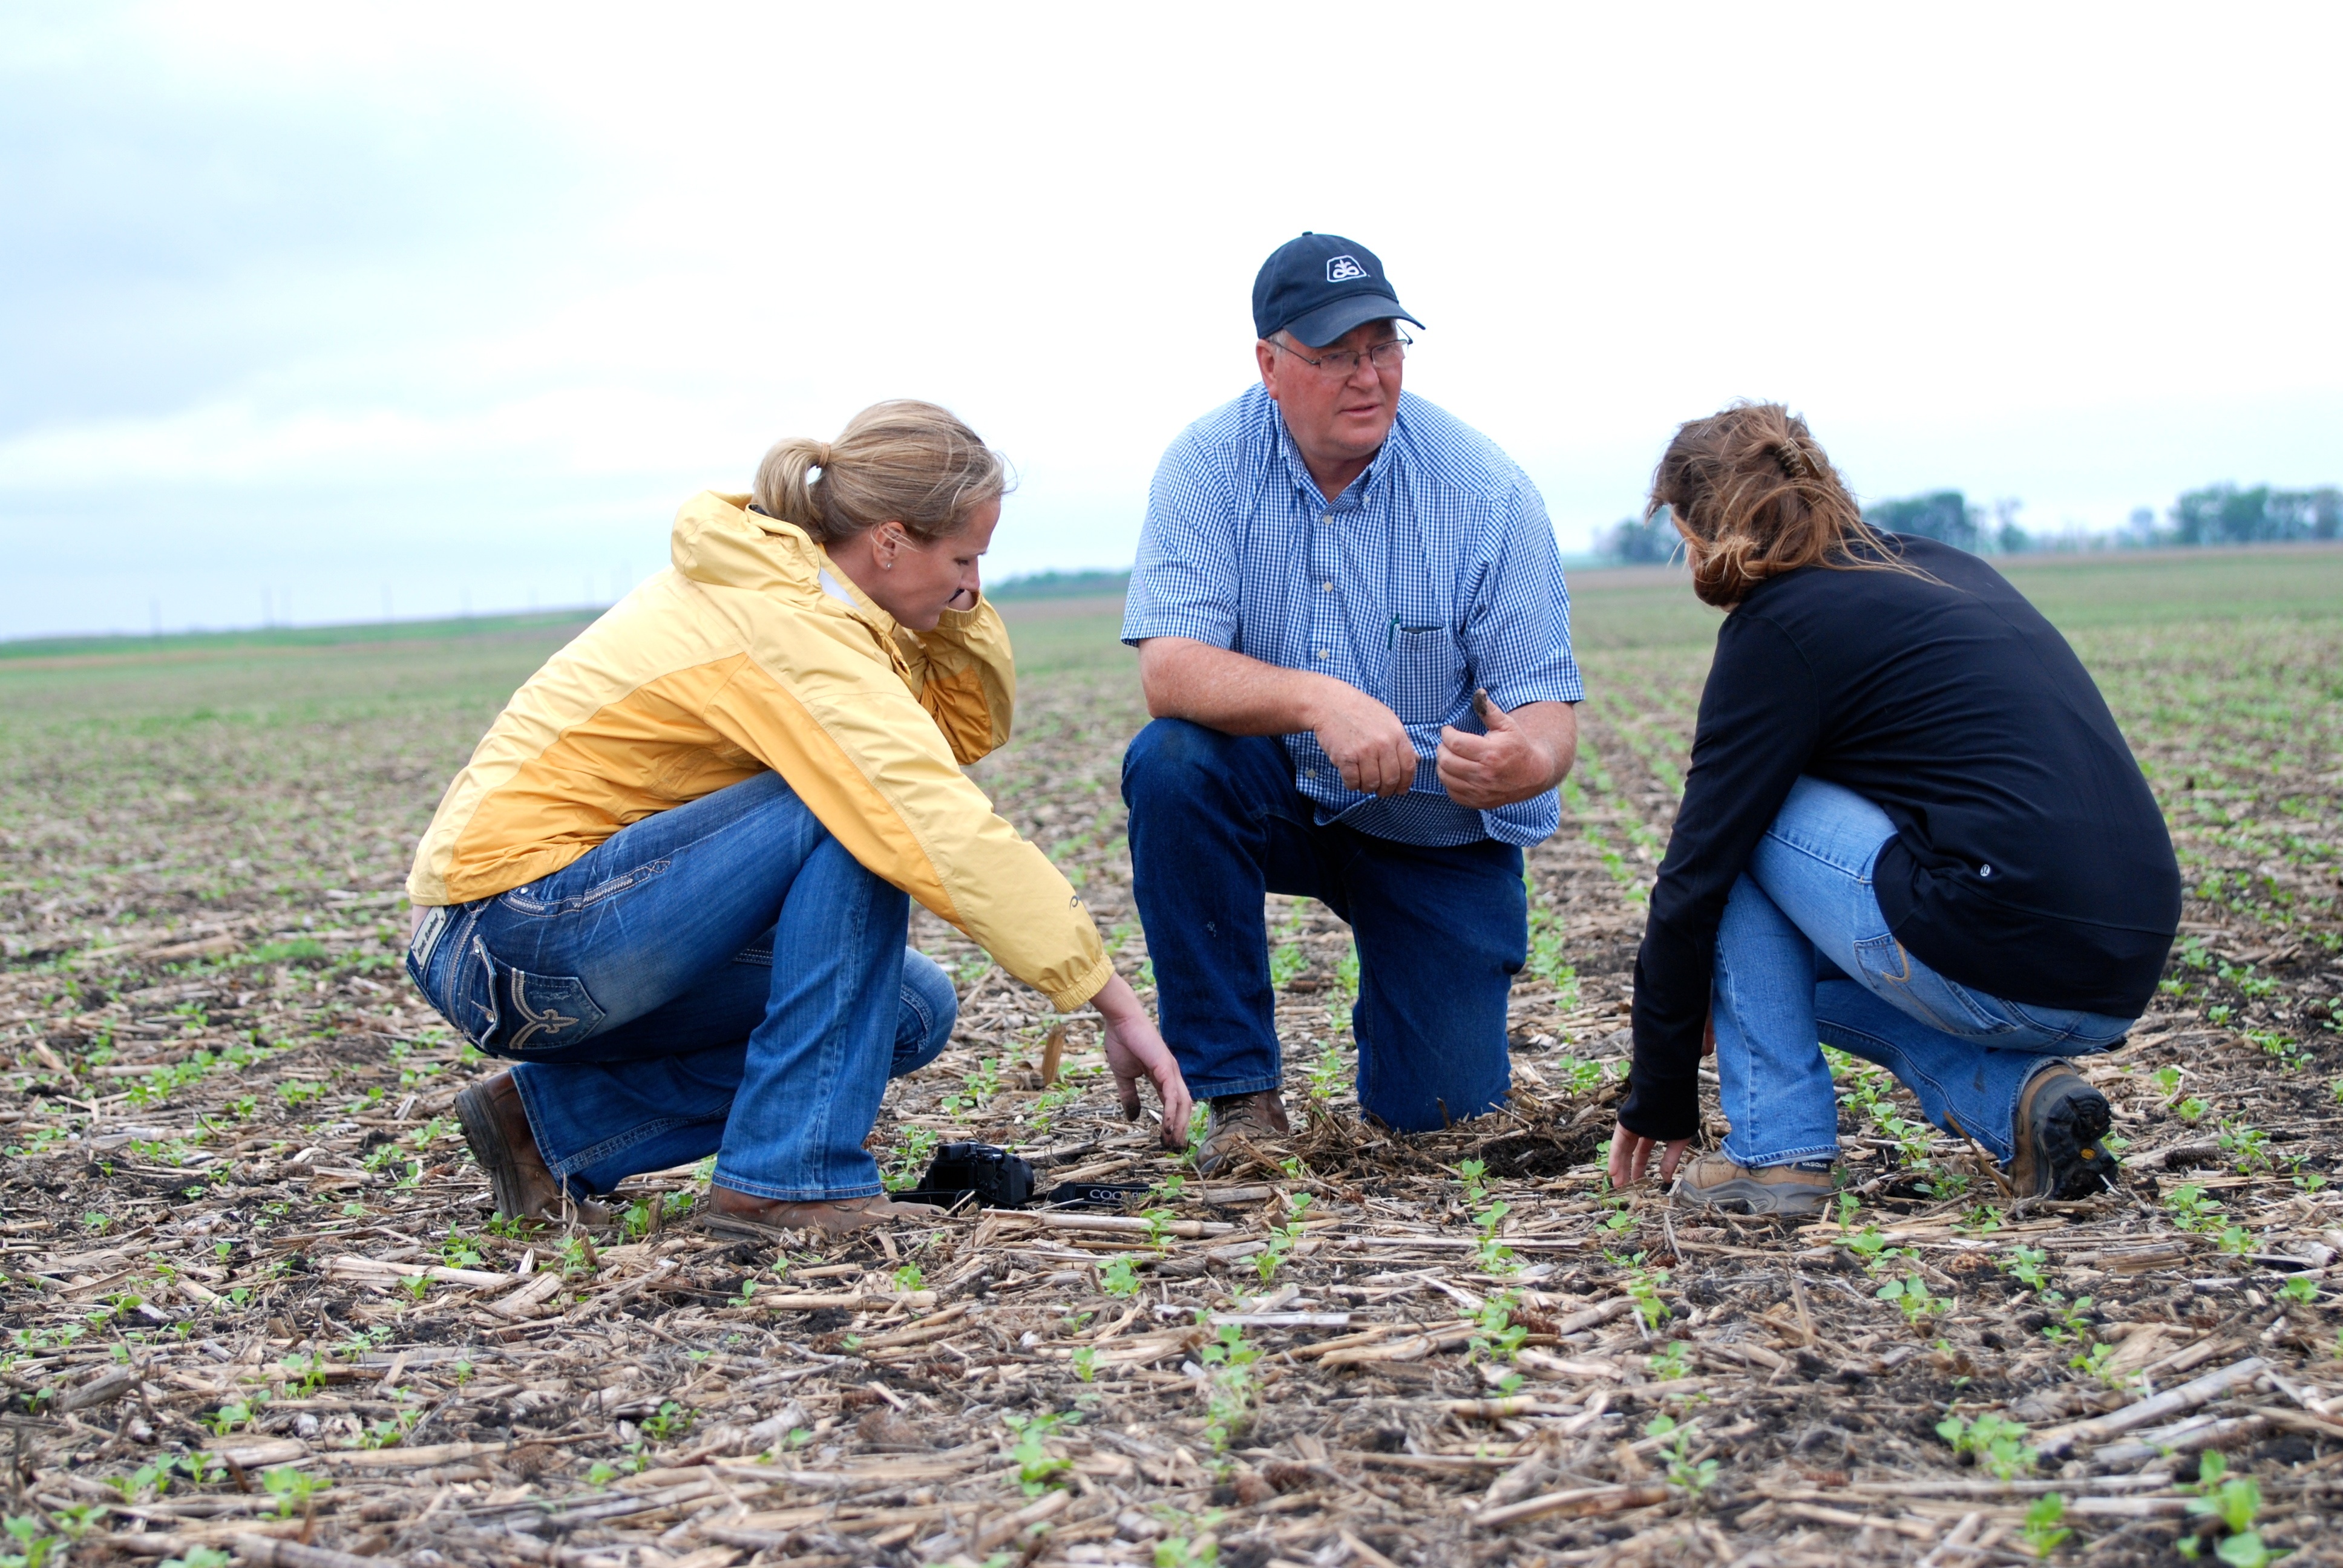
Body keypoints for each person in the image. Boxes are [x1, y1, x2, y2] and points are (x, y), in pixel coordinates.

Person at [404, 400, 1192, 1236]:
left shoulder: (822, 608)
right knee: (857, 810)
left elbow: (951, 731)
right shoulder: (788, 622)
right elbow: (928, 812)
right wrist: (1114, 1004)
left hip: (532, 945)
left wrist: (950, 617)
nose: (974, 586)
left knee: (906, 1010)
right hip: (513, 933)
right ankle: (789, 1178)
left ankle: (545, 1129)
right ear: (888, 542)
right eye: (963, 557)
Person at [1607, 403, 2180, 1215]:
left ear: (1691, 527)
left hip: (1998, 950)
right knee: (1780, 967)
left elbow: (1696, 874)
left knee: (1747, 820)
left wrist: (1658, 1091)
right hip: (2114, 973)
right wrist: (1720, 983)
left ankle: (1776, 1154)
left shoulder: (1779, 628)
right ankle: (2018, 1104)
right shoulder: (1939, 567)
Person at [1120, 234, 1584, 1173]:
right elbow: (1169, 669)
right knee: (1172, 763)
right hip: (1281, 792)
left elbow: (1545, 710)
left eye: (1383, 347)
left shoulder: (1483, 489)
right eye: (1334, 355)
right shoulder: (1208, 467)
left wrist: (1523, 763)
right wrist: (1320, 700)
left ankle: (1415, 1030)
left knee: (1441, 1119)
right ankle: (1242, 1100)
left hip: (1435, 824)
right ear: (1270, 364)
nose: (1367, 376)